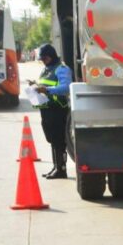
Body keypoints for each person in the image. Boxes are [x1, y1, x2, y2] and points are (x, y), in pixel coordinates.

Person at [28, 44, 71, 179]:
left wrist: (47, 90)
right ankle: (56, 167)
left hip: (58, 109)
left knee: (59, 140)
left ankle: (61, 169)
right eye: (41, 59)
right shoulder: (46, 69)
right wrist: (35, 85)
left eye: (45, 58)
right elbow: (45, 83)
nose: (43, 61)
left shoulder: (62, 69)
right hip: (47, 108)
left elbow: (65, 87)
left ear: (51, 56)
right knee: (52, 139)